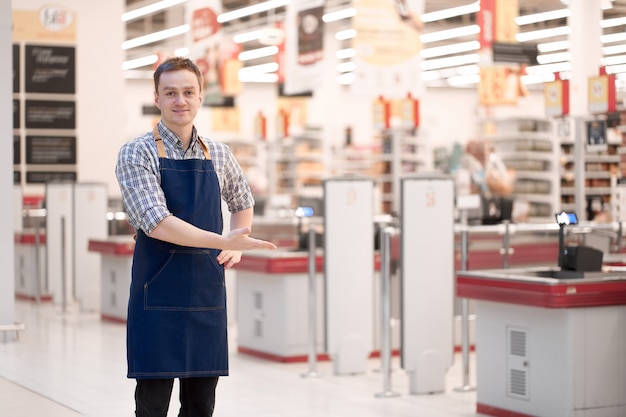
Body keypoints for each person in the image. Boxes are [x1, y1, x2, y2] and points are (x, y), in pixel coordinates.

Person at [115, 56, 276, 417]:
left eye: (188, 92)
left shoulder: (218, 153)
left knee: (202, 405)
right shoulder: (136, 152)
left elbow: (242, 199)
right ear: (156, 97)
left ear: (201, 96)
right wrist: (225, 242)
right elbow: (158, 222)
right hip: (156, 293)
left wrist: (237, 241)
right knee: (152, 404)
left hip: (205, 293)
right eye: (170, 92)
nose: (180, 101)